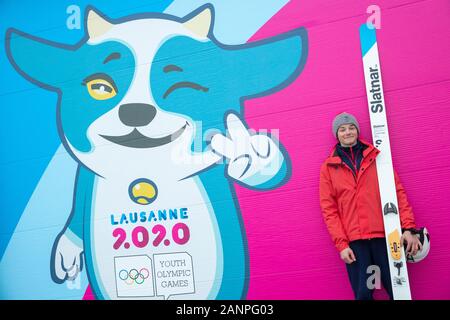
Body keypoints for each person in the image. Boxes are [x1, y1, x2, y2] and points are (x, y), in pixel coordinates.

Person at [319, 112, 422, 300]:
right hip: (356, 245)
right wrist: (342, 245)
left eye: (351, 128)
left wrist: (408, 228)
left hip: (386, 239)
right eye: (342, 129)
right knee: (364, 294)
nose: (347, 132)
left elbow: (398, 193)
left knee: (398, 292)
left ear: (357, 131)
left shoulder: (377, 157)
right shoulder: (328, 168)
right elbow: (329, 211)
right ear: (337, 134)